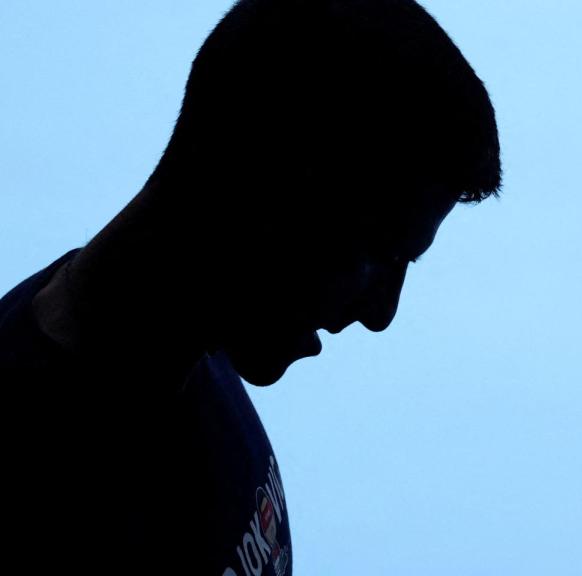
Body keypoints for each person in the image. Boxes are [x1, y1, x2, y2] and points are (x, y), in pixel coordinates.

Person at [0, 0, 501, 573]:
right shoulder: (38, 484)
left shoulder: (189, 350)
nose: (380, 312)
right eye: (378, 255)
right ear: (261, 185)